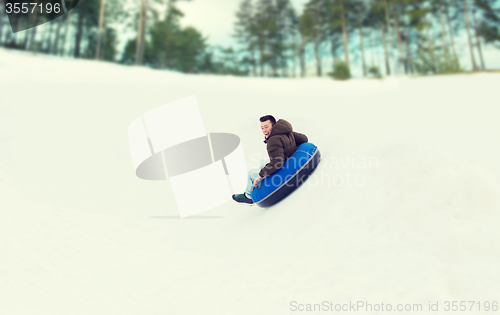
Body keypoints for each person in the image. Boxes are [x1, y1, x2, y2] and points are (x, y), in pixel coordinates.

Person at [232, 115, 308, 204]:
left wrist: (260, 175)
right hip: (287, 159)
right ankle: (263, 171)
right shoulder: (286, 131)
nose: (264, 130)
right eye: (262, 128)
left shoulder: (273, 140)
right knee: (262, 163)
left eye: (266, 127)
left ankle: (248, 196)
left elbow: (277, 163)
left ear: (273, 126)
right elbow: (304, 139)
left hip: (283, 167)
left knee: (251, 174)